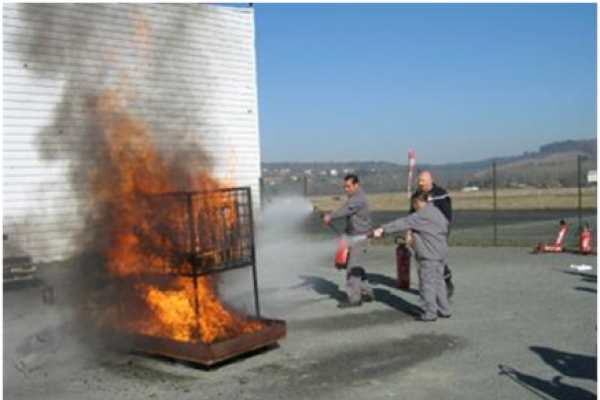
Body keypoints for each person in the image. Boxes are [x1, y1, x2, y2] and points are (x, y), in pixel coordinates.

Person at [374, 190, 451, 322]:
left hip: (428, 256)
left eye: (414, 204)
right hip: (440, 254)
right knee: (439, 282)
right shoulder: (437, 212)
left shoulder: (421, 215)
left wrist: (382, 229)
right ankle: (444, 310)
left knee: (427, 284)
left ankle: (430, 313)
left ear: (419, 201)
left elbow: (402, 223)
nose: (413, 207)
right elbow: (444, 227)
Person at [324, 174, 374, 308]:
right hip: (353, 235)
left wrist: (330, 216)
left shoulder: (358, 198)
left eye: (349, 186)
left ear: (356, 185)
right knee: (356, 265)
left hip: (360, 237)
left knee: (352, 267)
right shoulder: (354, 196)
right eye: (345, 186)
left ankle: (354, 298)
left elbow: (345, 210)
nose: (346, 189)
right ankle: (366, 292)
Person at [410, 171, 455, 298]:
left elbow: (447, 216)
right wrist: (410, 232)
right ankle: (428, 288)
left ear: (430, 180)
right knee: (424, 260)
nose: (420, 183)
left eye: (422, 181)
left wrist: (440, 231)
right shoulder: (417, 196)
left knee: (436, 259)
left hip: (437, 233)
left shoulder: (440, 194)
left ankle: (445, 281)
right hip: (421, 234)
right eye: (419, 181)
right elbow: (411, 216)